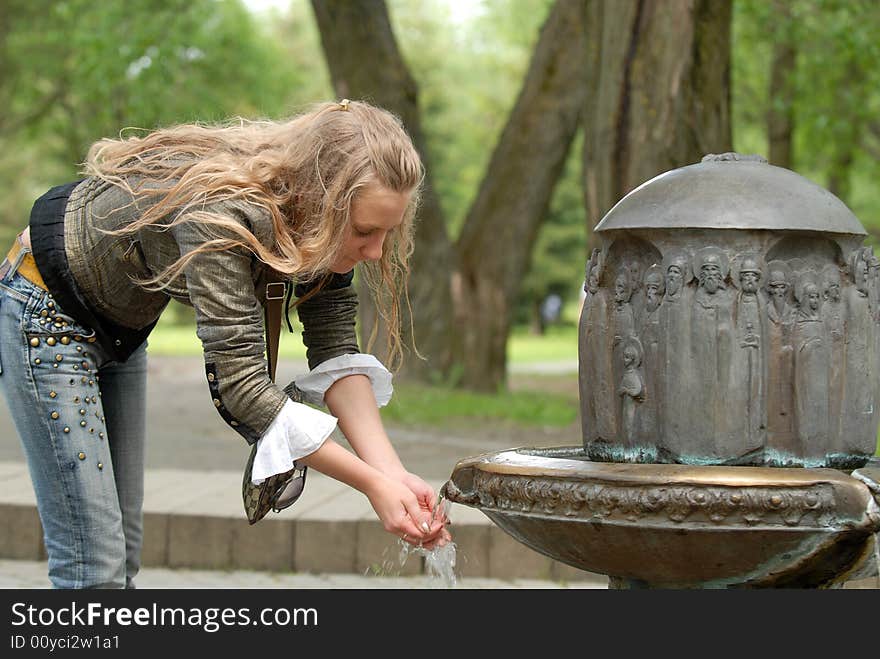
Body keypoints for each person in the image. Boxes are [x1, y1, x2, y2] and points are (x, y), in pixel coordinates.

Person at [0, 99, 451, 589]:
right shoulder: (222, 212)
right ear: (322, 198)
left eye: (387, 232)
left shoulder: (315, 224)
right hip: (47, 315)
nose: (377, 251)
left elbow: (338, 355)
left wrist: (391, 473)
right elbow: (241, 388)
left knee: (120, 558)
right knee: (95, 564)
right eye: (365, 231)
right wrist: (370, 484)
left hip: (120, 329)